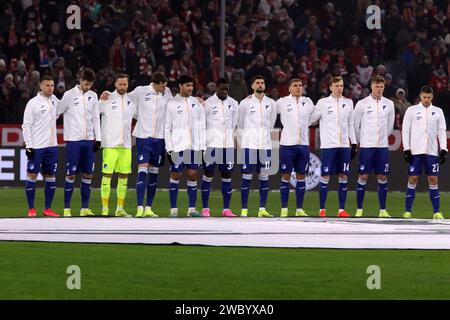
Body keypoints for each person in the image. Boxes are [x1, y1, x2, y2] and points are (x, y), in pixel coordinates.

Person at [57, 68, 101, 217]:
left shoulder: (93, 96)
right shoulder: (69, 95)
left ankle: (84, 208)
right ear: (80, 80)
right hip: (74, 141)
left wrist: (98, 138)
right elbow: (57, 113)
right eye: (86, 84)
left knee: (88, 175)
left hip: (89, 140)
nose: (88, 87)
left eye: (90, 84)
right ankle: (67, 209)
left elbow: (96, 118)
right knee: (71, 175)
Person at [310, 76, 357, 217]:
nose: (339, 88)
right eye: (336, 85)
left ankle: (341, 210)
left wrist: (353, 143)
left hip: (343, 145)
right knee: (325, 176)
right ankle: (322, 209)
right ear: (330, 87)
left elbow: (350, 125)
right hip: (329, 145)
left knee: (343, 176)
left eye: (341, 85)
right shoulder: (323, 103)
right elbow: (312, 120)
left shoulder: (348, 103)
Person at [401, 86, 447, 219]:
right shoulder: (412, 110)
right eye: (424, 97)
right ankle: (408, 211)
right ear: (420, 96)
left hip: (432, 152)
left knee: (433, 180)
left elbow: (441, 131)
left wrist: (444, 149)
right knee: (413, 178)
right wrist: (406, 149)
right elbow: (405, 130)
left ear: (432, 97)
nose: (426, 99)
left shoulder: (438, 111)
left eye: (429, 97)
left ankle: (436, 212)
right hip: (416, 151)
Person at [164, 74, 206, 218]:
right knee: (175, 175)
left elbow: (202, 127)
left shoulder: (197, 103)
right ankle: (173, 210)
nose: (190, 88)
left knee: (193, 175)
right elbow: (166, 128)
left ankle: (191, 209)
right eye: (187, 85)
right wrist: (169, 148)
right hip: (177, 146)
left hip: (194, 146)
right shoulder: (171, 104)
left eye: (192, 86)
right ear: (180, 86)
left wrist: (203, 148)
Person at [353, 76, 395, 218]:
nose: (379, 89)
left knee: (383, 176)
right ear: (371, 86)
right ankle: (359, 209)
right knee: (363, 176)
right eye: (377, 86)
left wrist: (383, 139)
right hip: (367, 146)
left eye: (381, 87)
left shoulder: (389, 104)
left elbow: (390, 126)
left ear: (384, 87)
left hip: (382, 147)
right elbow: (355, 125)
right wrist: (361, 140)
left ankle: (382, 210)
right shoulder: (362, 104)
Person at [131, 72, 171, 218]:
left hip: (160, 139)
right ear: (154, 83)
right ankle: (139, 207)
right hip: (144, 137)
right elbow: (124, 97)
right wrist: (107, 95)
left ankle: (148, 208)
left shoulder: (167, 93)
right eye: (162, 85)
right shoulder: (141, 91)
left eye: (165, 85)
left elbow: (175, 104)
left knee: (154, 174)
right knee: (142, 171)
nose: (164, 88)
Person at [237, 75, 277, 217]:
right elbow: (240, 125)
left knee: (264, 176)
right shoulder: (245, 103)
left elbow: (271, 123)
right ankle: (244, 210)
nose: (260, 85)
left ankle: (262, 209)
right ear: (252, 86)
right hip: (249, 145)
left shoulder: (271, 103)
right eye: (257, 83)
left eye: (262, 83)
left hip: (265, 146)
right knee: (247, 176)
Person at [22, 75, 60, 217]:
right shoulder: (33, 103)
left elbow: (67, 109)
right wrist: (29, 146)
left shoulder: (55, 101)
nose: (50, 88)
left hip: (52, 146)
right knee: (32, 175)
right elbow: (26, 125)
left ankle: (47, 209)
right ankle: (31, 208)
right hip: (37, 147)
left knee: (50, 175)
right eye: (47, 85)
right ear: (40, 86)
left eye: (52, 85)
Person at [99, 74, 137, 217]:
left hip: (126, 145)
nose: (122, 87)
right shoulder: (106, 98)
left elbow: (140, 116)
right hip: (110, 144)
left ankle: (120, 209)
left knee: (123, 177)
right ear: (115, 84)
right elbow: (94, 114)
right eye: (120, 84)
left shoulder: (131, 101)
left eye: (125, 84)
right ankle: (105, 209)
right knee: (107, 175)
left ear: (128, 85)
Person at [277, 78, 315, 217]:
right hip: (287, 144)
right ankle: (284, 209)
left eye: (300, 85)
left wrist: (306, 124)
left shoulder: (308, 102)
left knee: (301, 176)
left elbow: (315, 115)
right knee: (286, 175)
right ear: (289, 89)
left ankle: (299, 209)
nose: (298, 87)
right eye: (295, 85)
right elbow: (268, 110)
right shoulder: (282, 102)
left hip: (303, 145)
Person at [201, 78, 239, 217]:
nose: (224, 91)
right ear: (215, 88)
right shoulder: (207, 104)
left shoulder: (234, 104)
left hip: (227, 146)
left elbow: (234, 124)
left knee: (227, 176)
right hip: (211, 146)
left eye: (226, 89)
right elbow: (202, 124)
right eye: (222, 88)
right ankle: (205, 208)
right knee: (208, 175)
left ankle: (226, 209)